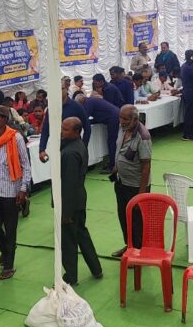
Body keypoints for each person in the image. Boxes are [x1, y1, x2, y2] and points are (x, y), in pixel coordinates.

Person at [0, 106, 30, 279]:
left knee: (10, 230)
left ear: (4, 119)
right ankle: (6, 250)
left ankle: (8, 266)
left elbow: (25, 164)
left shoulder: (15, 137)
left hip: (11, 190)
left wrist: (23, 189)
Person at [58, 117, 102, 285]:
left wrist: (66, 213)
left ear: (76, 132)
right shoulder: (78, 145)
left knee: (69, 241)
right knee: (82, 234)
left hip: (70, 203)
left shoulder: (70, 153)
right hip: (79, 199)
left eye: (65, 129)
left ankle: (70, 277)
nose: (62, 132)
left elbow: (69, 184)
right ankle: (96, 268)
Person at [110, 105, 152, 258]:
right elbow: (120, 150)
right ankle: (129, 246)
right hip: (121, 182)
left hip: (136, 187)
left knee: (137, 221)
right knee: (123, 217)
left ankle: (138, 252)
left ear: (135, 119)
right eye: (120, 118)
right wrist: (116, 169)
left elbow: (146, 166)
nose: (122, 121)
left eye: (126, 119)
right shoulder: (122, 128)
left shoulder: (143, 136)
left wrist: (141, 194)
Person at [38, 86, 90, 157]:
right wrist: (42, 149)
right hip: (58, 146)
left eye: (62, 88)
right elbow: (46, 129)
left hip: (74, 145)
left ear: (67, 89)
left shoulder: (76, 106)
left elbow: (87, 128)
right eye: (57, 88)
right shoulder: (52, 108)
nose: (59, 91)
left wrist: (84, 146)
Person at [76, 92, 120, 171]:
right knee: (112, 141)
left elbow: (84, 117)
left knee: (112, 141)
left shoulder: (88, 102)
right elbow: (97, 116)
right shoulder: (91, 101)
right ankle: (113, 163)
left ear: (81, 102)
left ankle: (112, 165)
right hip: (114, 116)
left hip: (113, 119)